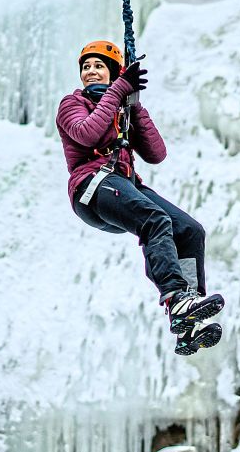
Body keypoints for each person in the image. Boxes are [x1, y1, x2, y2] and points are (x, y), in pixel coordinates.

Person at [56, 40, 224, 355]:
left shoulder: (122, 108)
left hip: (123, 182)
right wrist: (119, 90)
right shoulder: (71, 103)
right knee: (154, 219)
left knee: (189, 231)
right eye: (86, 67)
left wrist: (134, 106)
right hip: (91, 183)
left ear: (112, 71)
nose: (90, 72)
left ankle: (188, 320)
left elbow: (156, 154)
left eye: (98, 66)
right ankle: (176, 298)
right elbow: (87, 134)